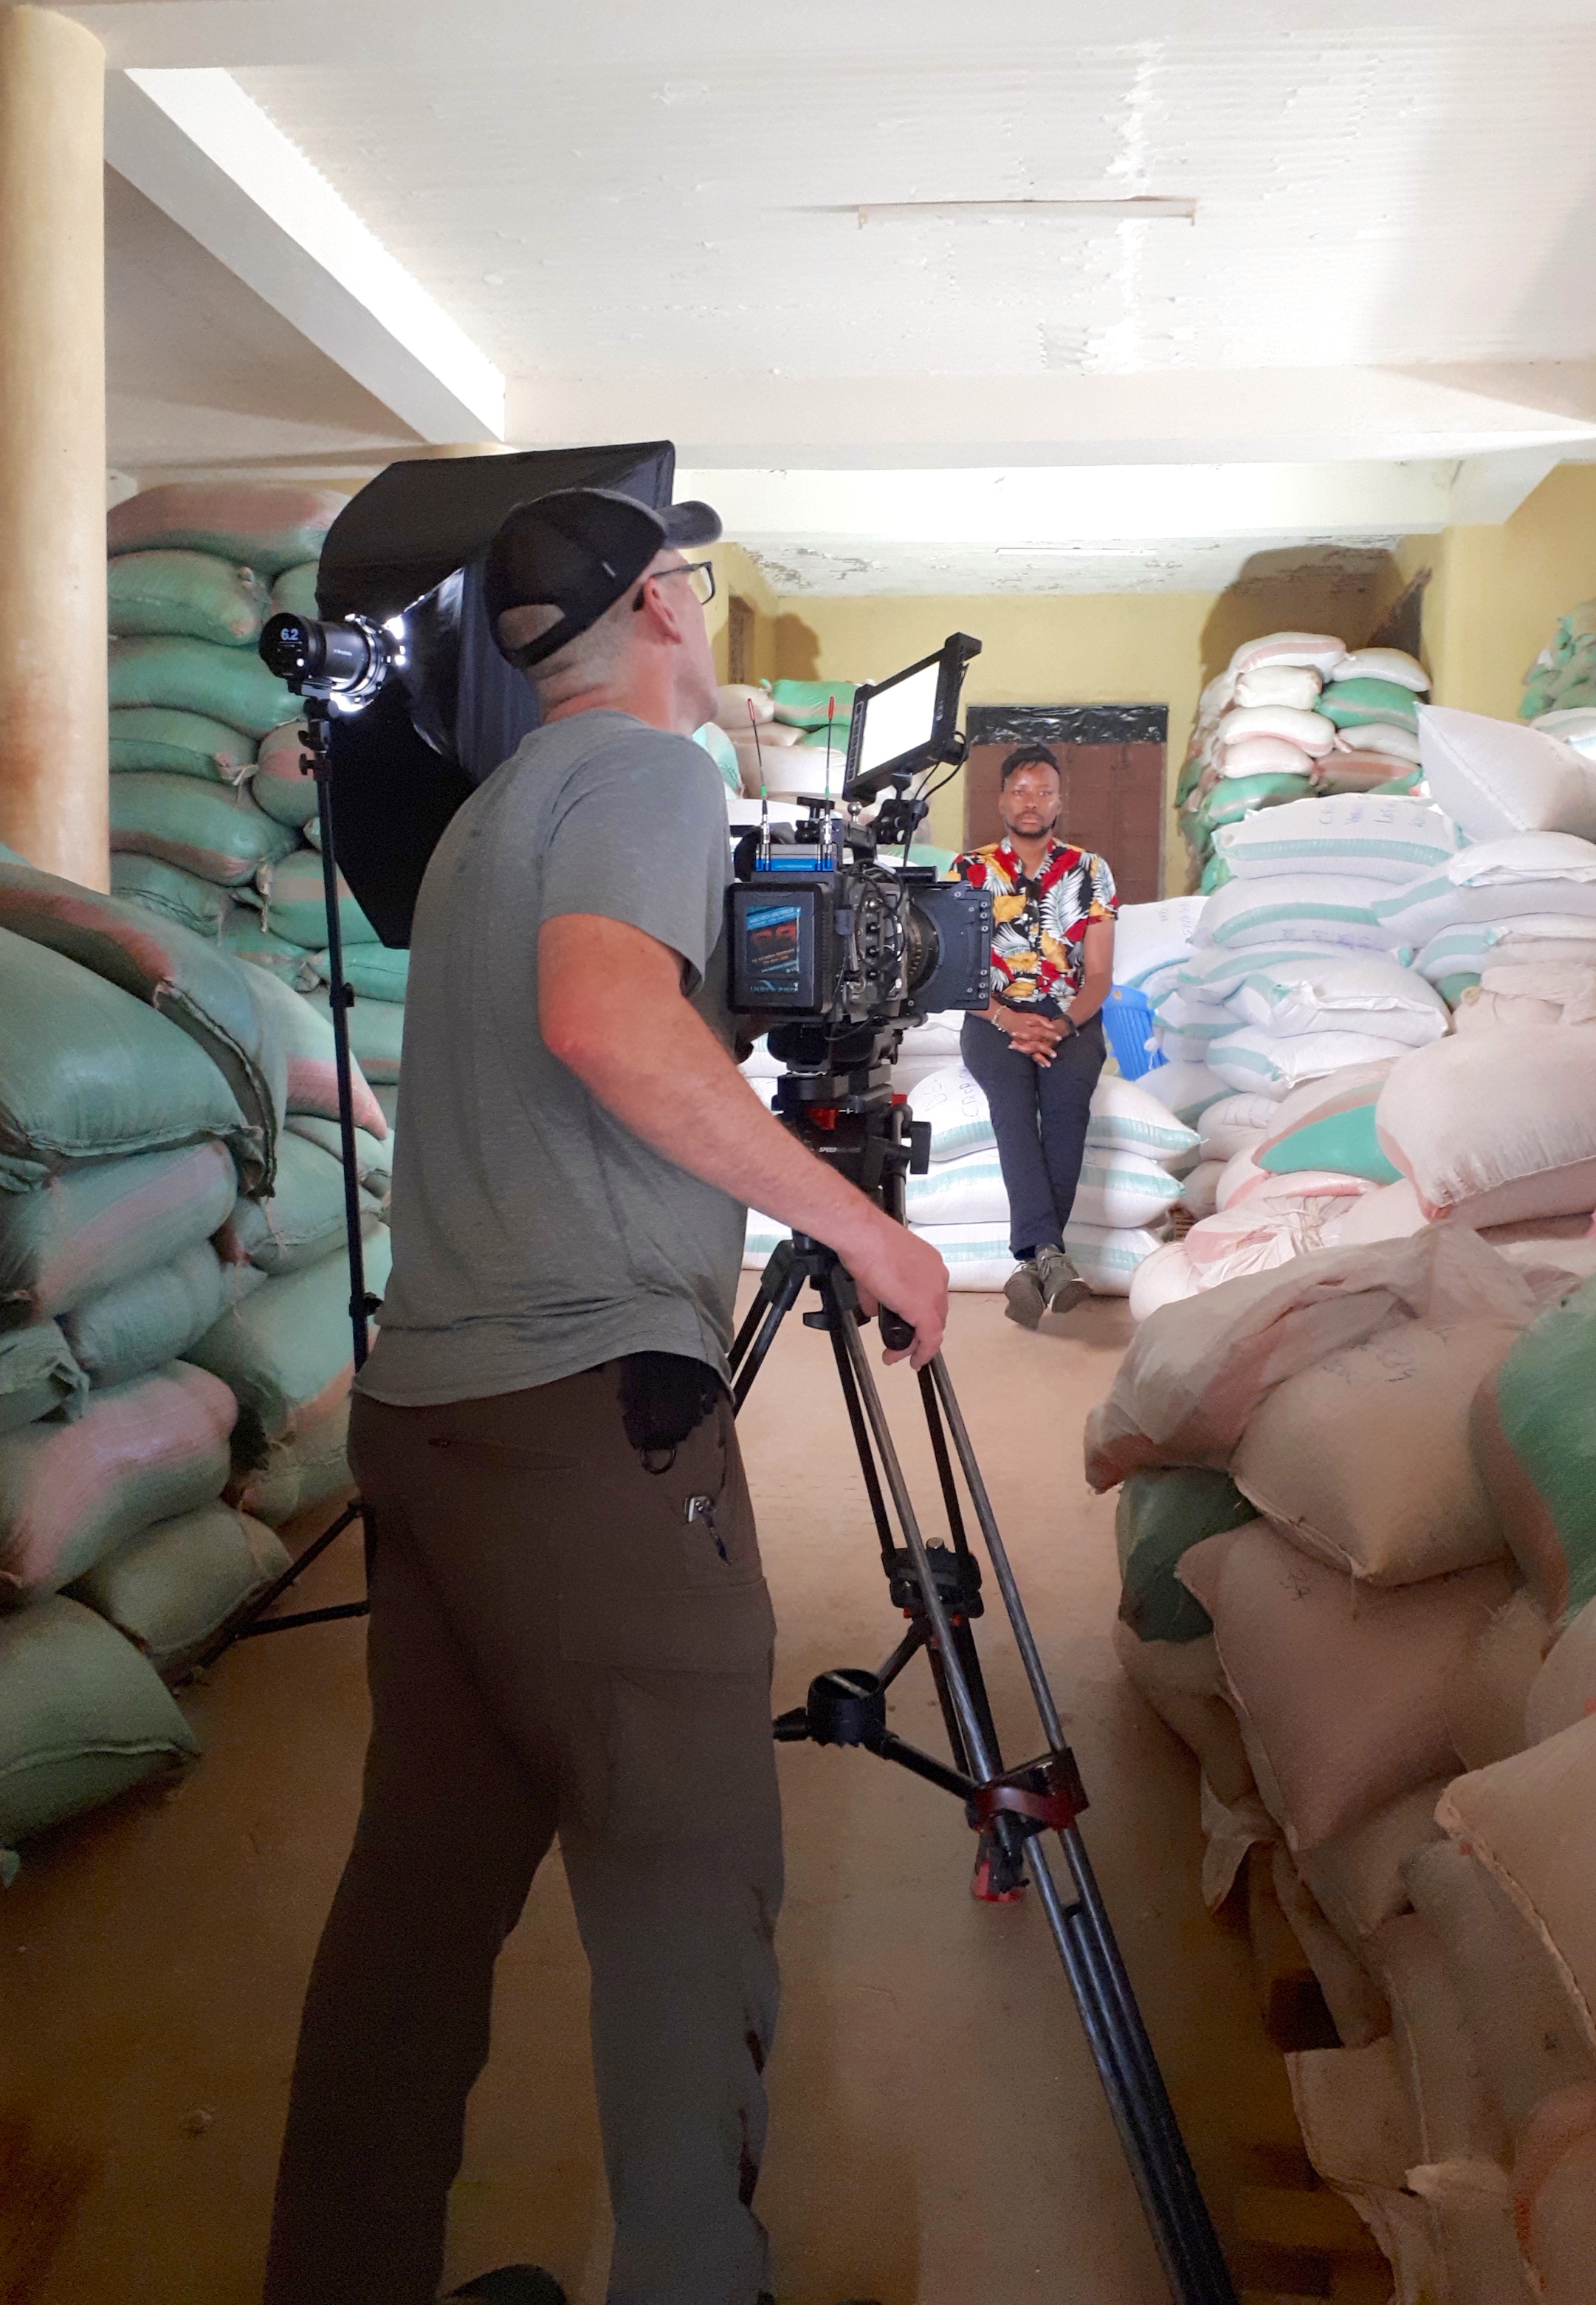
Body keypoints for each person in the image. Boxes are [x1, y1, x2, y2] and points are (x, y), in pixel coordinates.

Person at [261, 486, 949, 2305]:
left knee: (414, 1902)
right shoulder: (651, 780)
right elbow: (604, 1020)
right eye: (695, 585)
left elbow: (595, 1028)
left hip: (428, 1421)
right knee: (680, 1903)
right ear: (658, 604)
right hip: (583, 1432)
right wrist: (860, 1232)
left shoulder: (490, 812)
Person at [950, 743, 1117, 1329]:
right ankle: (1051, 1256)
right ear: (1000, 799)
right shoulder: (967, 871)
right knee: (1014, 1105)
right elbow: (956, 973)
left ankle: (1031, 1263)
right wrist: (1007, 1018)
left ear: (1059, 802)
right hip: (990, 1014)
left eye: (1044, 791)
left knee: (1068, 1103)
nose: (1031, 802)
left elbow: (1098, 976)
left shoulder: (1090, 871)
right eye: (1020, 790)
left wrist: (1064, 1023)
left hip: (1070, 1015)